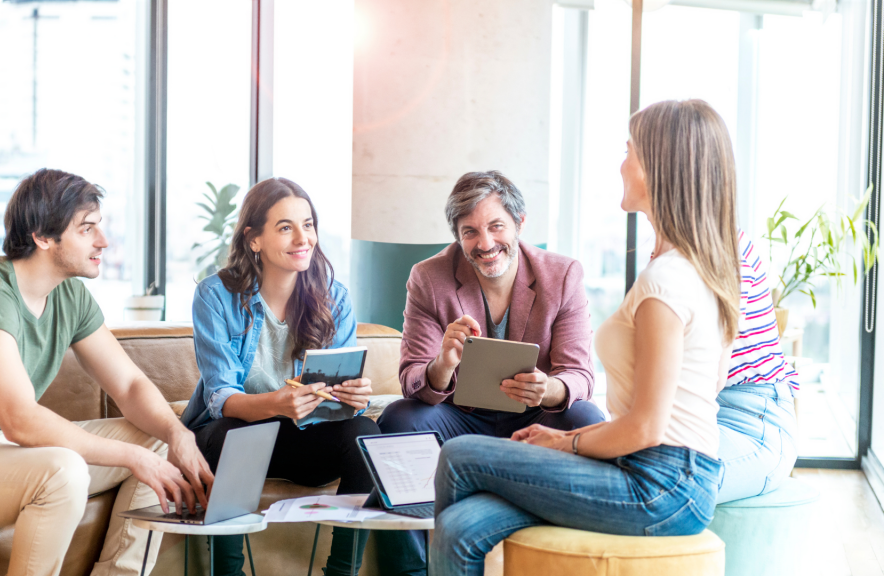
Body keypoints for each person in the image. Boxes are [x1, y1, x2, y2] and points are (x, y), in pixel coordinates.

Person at [428, 99, 738, 576]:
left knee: (457, 455)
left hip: (662, 486)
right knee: (460, 529)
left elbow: (646, 428)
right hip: (658, 473)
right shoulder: (690, 268)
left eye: (630, 151)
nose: (622, 163)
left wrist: (564, 445)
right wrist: (565, 435)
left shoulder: (667, 283)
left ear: (659, 168)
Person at [0, 168, 213, 576]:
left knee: (158, 437)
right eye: (87, 229)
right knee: (64, 472)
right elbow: (20, 420)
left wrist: (177, 433)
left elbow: (129, 385)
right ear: (42, 236)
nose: (103, 241)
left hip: (3, 451)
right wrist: (132, 458)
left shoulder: (70, 294)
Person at [375, 170, 606, 575]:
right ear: (457, 236)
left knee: (586, 418)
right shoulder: (429, 278)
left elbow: (580, 376)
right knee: (398, 420)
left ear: (519, 223)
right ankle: (411, 568)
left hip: (537, 418)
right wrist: (444, 362)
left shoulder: (562, 274)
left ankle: (572, 556)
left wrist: (548, 389)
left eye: (496, 226)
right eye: (470, 232)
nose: (484, 244)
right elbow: (412, 379)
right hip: (461, 418)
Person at [181, 177, 380, 576]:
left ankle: (341, 572)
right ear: (253, 239)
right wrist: (278, 403)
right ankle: (228, 573)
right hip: (235, 436)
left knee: (365, 433)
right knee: (234, 433)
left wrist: (353, 398)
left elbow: (339, 395)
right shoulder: (214, 296)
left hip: (304, 439)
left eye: (308, 225)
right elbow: (220, 398)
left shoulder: (335, 297)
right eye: (286, 227)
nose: (303, 238)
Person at [716, 229, 799, 503]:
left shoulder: (725, 247)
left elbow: (710, 374)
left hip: (754, 422)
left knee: (658, 477)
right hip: (711, 409)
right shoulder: (667, 251)